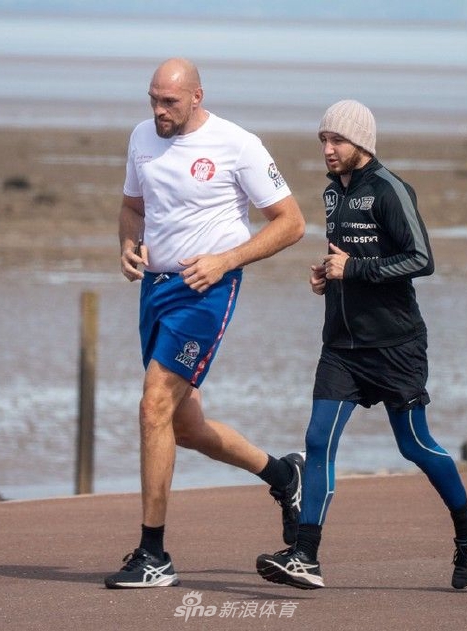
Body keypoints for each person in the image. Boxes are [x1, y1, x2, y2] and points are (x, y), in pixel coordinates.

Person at [256, 100, 467, 590]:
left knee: (414, 446)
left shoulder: (390, 189)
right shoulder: (332, 194)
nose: (328, 149)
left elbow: (421, 259)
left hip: (394, 347)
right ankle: (306, 555)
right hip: (341, 347)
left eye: (337, 140)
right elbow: (347, 257)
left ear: (361, 142)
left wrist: (356, 270)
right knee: (318, 441)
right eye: (323, 140)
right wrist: (327, 276)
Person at [105, 58, 307, 589]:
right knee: (183, 426)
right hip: (155, 290)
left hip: (206, 291)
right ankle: (285, 474)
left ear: (197, 96)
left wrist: (226, 261)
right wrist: (127, 244)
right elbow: (132, 207)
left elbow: (292, 223)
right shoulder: (141, 138)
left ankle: (154, 555)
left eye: (169, 101)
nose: (159, 110)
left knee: (153, 406)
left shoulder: (238, 145)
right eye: (153, 100)